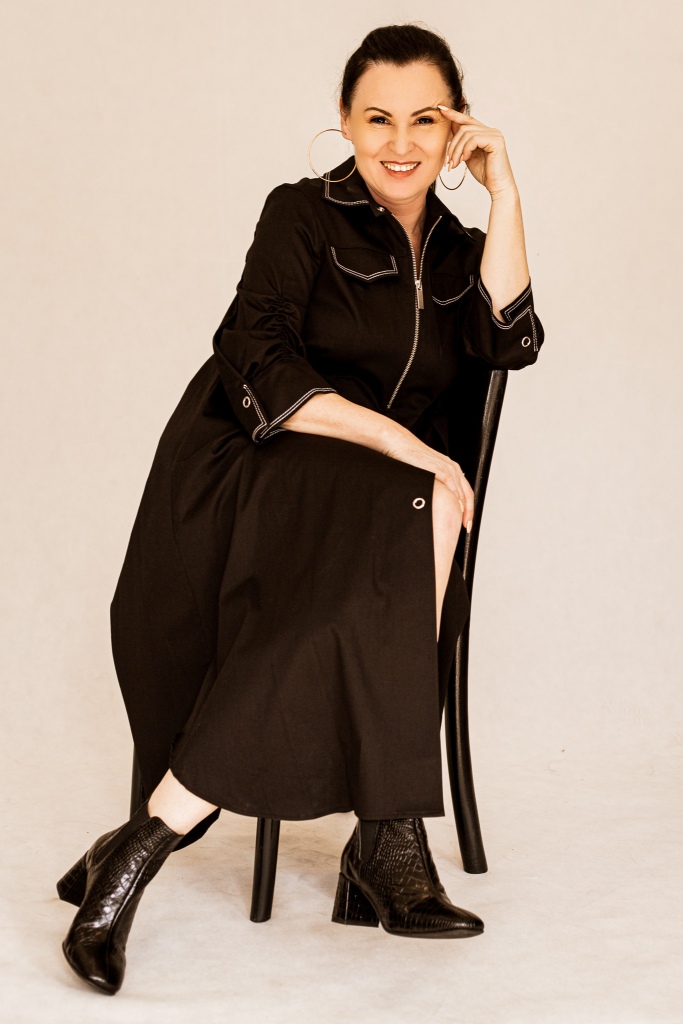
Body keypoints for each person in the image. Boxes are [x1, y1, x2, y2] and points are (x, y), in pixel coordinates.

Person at [56, 23, 545, 995]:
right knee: (415, 507)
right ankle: (384, 843)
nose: (399, 143)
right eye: (376, 119)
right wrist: (408, 444)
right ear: (344, 124)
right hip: (252, 467)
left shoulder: (461, 252)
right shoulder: (300, 214)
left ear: (456, 129)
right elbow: (257, 355)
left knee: (403, 523)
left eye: (424, 120)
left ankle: (144, 845)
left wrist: (506, 192)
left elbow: (509, 342)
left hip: (372, 502)